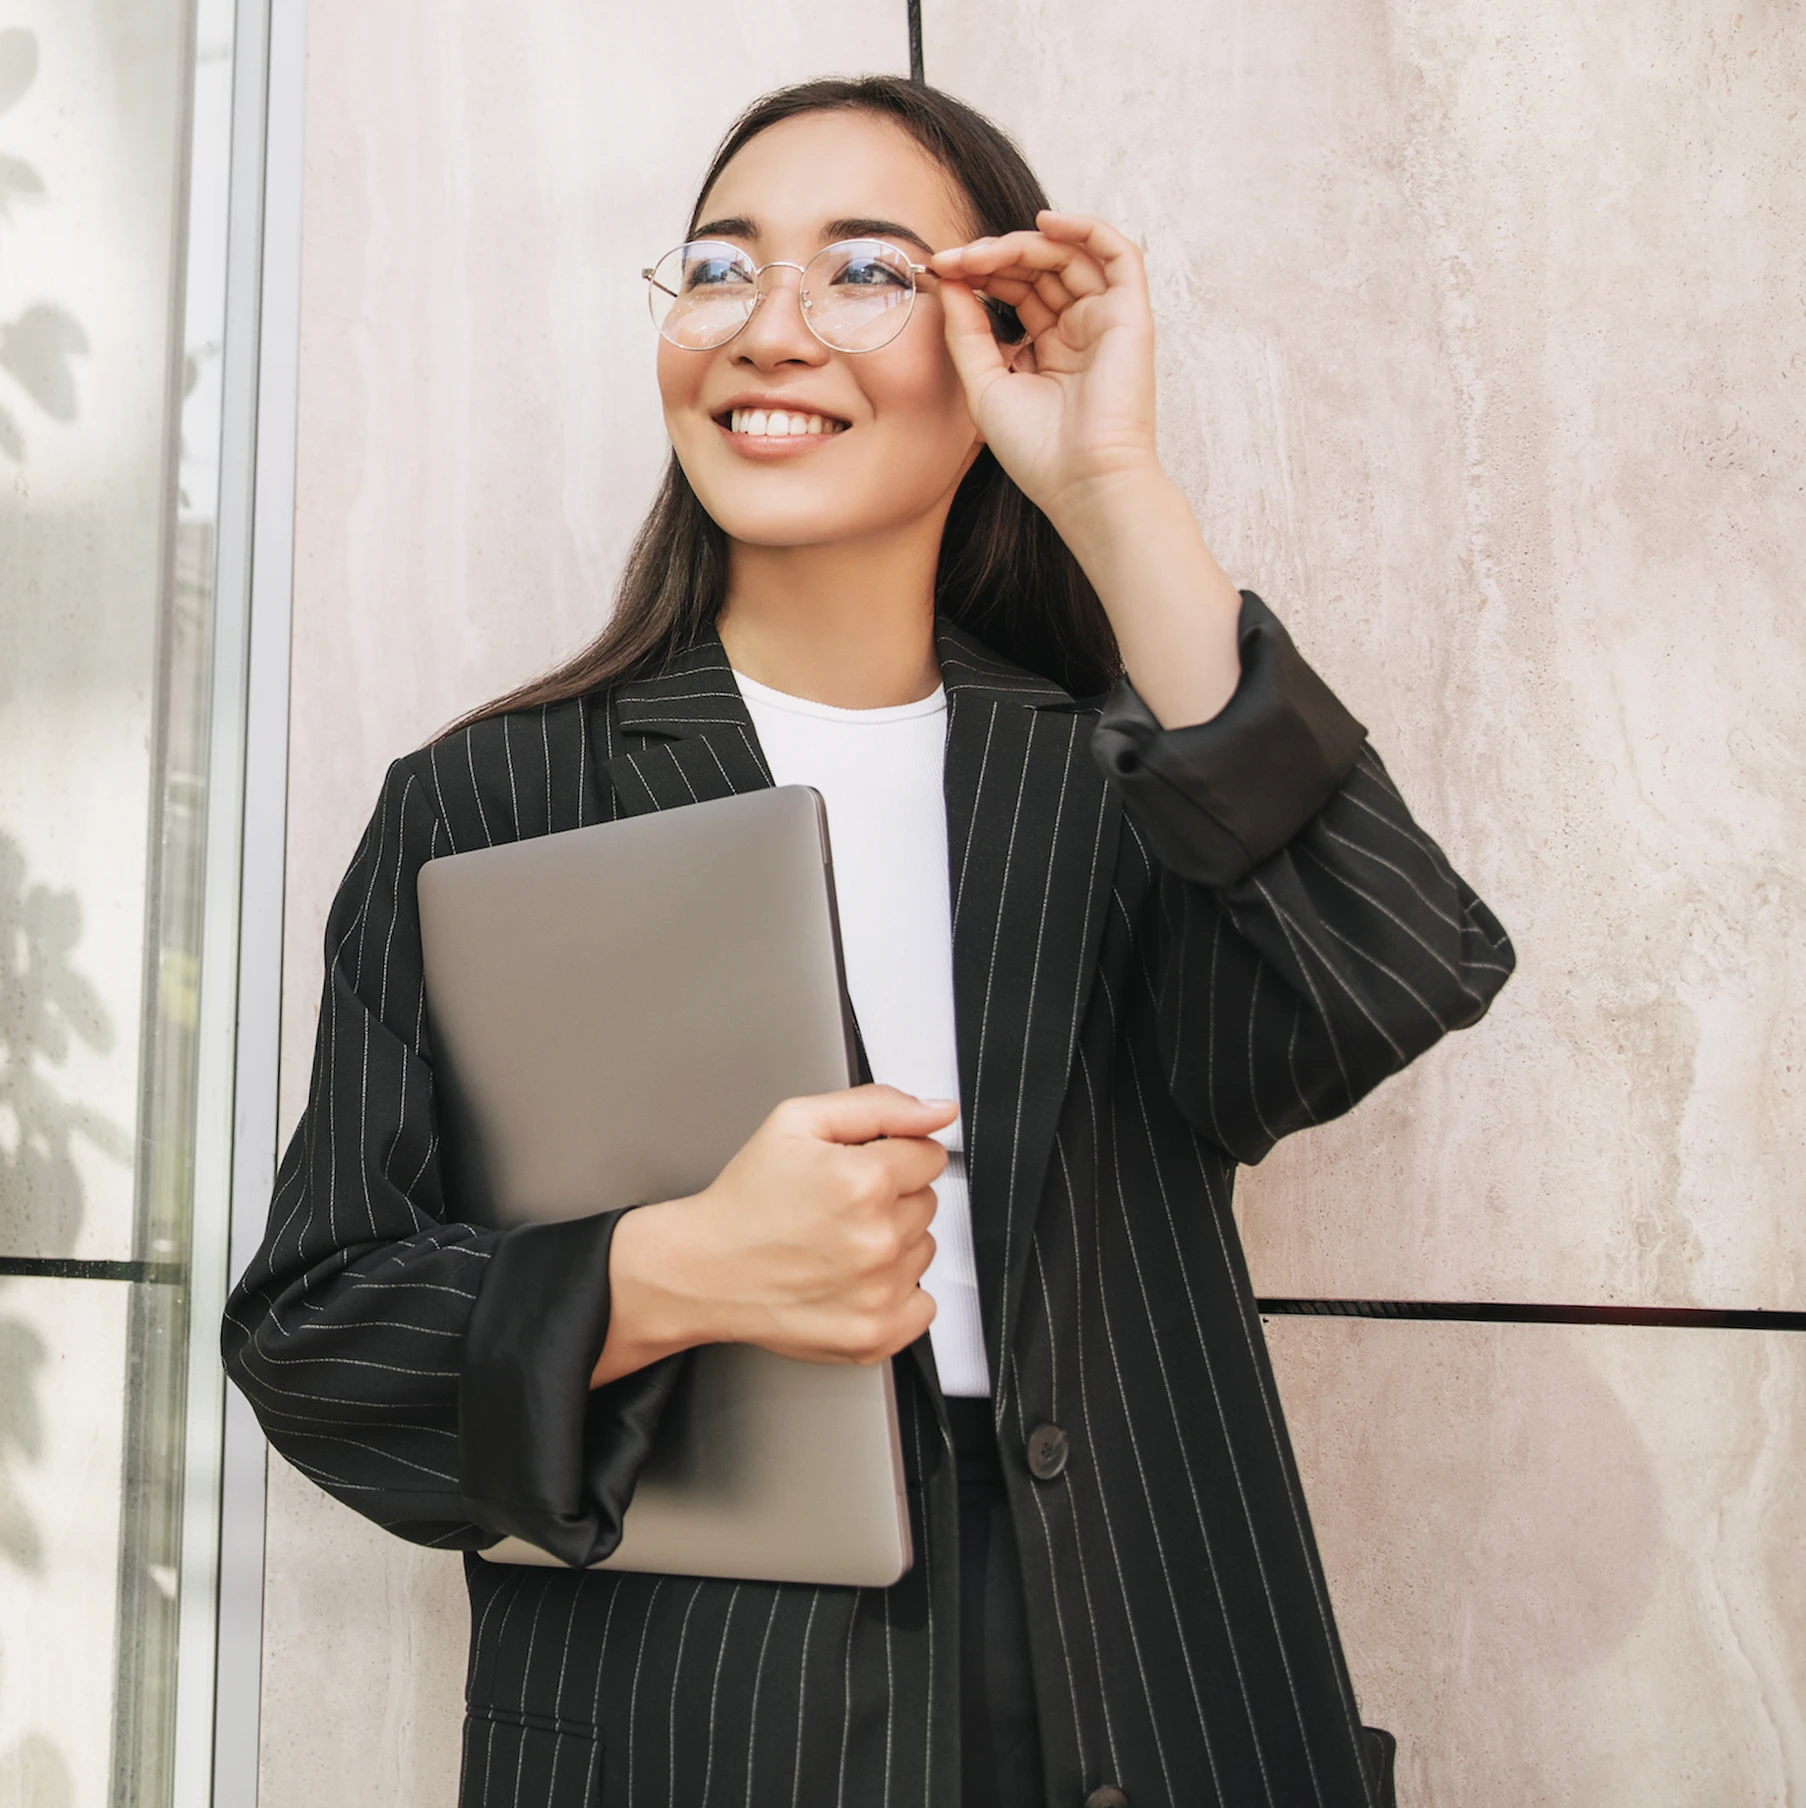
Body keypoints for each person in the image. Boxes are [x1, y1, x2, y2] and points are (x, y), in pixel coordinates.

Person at [224, 76, 1512, 1808]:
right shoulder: (498, 798)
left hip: (1143, 1677)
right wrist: (667, 1270)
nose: (769, 329)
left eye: (863, 272)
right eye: (717, 268)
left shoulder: (1112, 784)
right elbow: (318, 1337)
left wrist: (1112, 489)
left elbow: (1388, 968)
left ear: (990, 345)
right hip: (702, 1715)